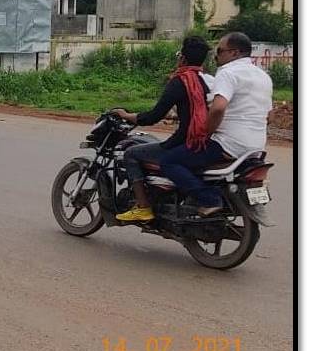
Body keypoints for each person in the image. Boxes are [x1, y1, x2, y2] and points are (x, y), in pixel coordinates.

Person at [159, 32, 273, 216]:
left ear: (235, 53)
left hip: (228, 144)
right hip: (256, 147)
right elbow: (270, 116)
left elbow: (218, 108)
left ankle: (209, 199)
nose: (216, 56)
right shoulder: (263, 76)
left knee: (168, 160)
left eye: (220, 51)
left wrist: (205, 133)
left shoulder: (227, 73)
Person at [111, 36, 214, 222]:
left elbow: (153, 116)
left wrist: (127, 116)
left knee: (131, 154)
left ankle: (143, 207)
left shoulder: (179, 81)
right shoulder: (206, 80)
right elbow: (197, 110)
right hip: (203, 140)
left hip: (183, 142)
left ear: (182, 58)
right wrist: (176, 115)